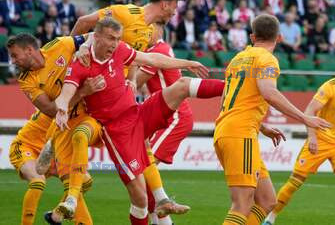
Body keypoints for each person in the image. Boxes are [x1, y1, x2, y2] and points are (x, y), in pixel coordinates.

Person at [54, 18, 213, 225]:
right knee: (81, 136)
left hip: (131, 118)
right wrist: (61, 109)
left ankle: (161, 201)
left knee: (141, 197)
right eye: (111, 38)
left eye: (117, 39)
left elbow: (152, 59)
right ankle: (72, 198)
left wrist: (187, 63)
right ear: (97, 36)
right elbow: (66, 92)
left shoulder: (121, 49)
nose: (114, 43)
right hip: (106, 126)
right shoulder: (82, 61)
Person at [214, 14, 330, 225]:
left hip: (229, 128)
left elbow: (228, 100)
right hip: (240, 133)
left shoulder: (237, 59)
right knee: (242, 204)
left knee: (267, 200)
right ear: (279, 38)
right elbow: (269, 93)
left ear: (252, 36)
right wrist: (305, 118)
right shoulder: (267, 59)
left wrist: (262, 126)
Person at [7, 33, 103, 225]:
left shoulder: (61, 45)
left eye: (15, 55)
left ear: (29, 50)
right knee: (38, 181)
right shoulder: (26, 79)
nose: (13, 61)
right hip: (27, 145)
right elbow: (52, 110)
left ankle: (56, 215)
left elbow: (94, 35)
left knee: (81, 182)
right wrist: (83, 92)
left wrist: (84, 47)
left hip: (55, 146)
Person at [136, 24, 224, 224]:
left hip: (173, 116)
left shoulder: (156, 51)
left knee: (146, 167)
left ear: (158, 31)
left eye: (148, 30)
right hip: (165, 116)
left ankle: (162, 216)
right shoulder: (157, 50)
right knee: (146, 170)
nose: (143, 33)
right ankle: (163, 218)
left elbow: (136, 80)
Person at [264, 55, 335, 225]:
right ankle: (270, 218)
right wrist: (312, 137)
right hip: (320, 139)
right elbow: (309, 112)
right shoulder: (330, 86)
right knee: (295, 182)